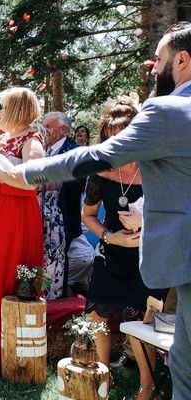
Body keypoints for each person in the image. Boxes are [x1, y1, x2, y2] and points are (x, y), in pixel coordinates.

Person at [0, 22, 191, 398]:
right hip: (137, 258)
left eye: (158, 60)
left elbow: (98, 156)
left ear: (182, 59)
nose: (153, 69)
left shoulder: (168, 110)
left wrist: (22, 171)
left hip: (181, 260)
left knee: (185, 370)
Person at [79, 97, 166, 367]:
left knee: (139, 320)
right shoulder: (100, 172)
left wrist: (145, 218)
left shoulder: (158, 168)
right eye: (111, 138)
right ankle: (103, 373)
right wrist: (109, 236)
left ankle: (146, 385)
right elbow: (88, 215)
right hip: (110, 253)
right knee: (97, 315)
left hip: (148, 257)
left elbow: (176, 215)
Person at [41, 111, 84, 298]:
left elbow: (80, 183)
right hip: (42, 215)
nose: (44, 130)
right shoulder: (41, 148)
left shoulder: (74, 150)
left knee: (58, 262)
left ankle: (58, 302)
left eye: (49, 126)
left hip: (63, 216)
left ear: (63, 129)